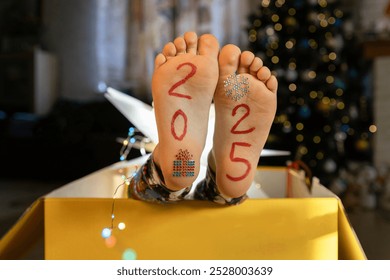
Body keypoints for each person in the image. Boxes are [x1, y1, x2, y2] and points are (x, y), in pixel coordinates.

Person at [128, 32, 277, 205]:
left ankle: (164, 169)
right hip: (221, 226)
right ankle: (223, 182)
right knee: (215, 198)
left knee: (139, 195)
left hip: (148, 222)